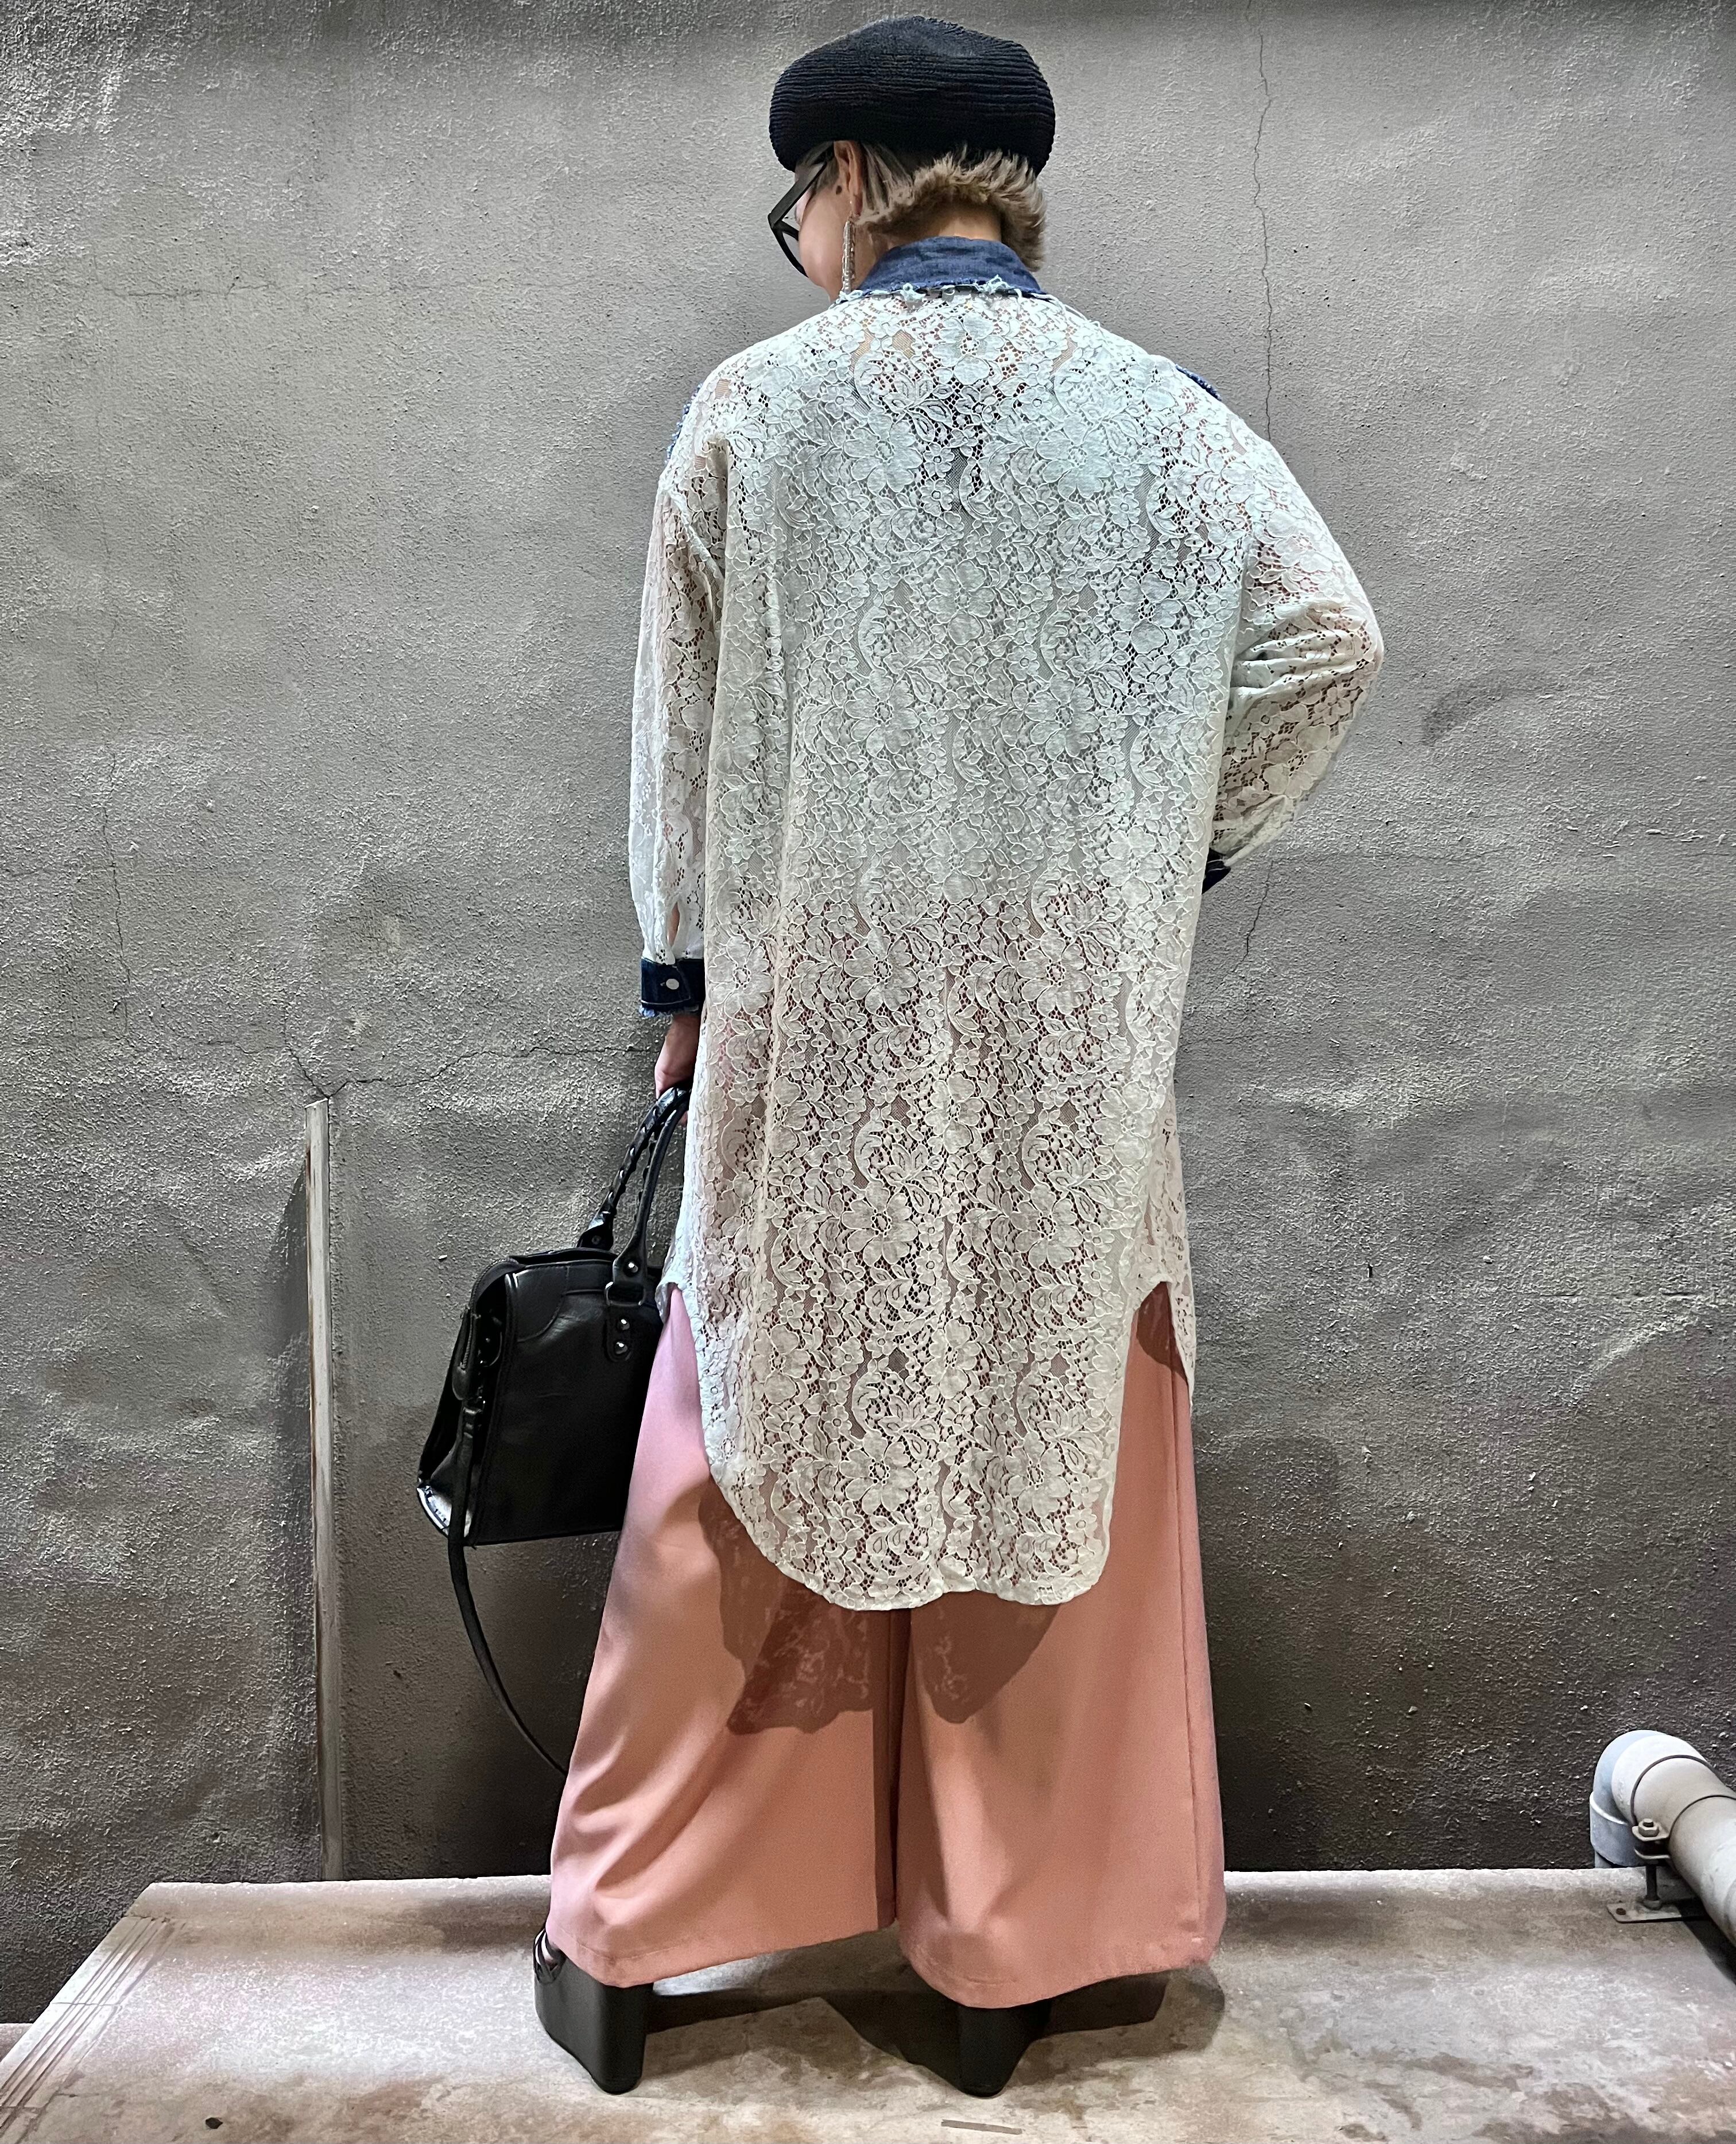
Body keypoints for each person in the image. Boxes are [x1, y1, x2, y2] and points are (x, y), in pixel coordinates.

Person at [534, 13, 1384, 2100]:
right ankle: (1010, 1960)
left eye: (798, 203)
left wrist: (683, 993)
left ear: (846, 178)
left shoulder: (756, 408)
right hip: (1062, 1046)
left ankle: (633, 1944)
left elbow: (682, 742)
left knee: (743, 1468)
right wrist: (1156, 851)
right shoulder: (1165, 415)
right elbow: (1328, 641)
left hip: (816, 1021)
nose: (800, 237)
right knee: (1046, 1431)